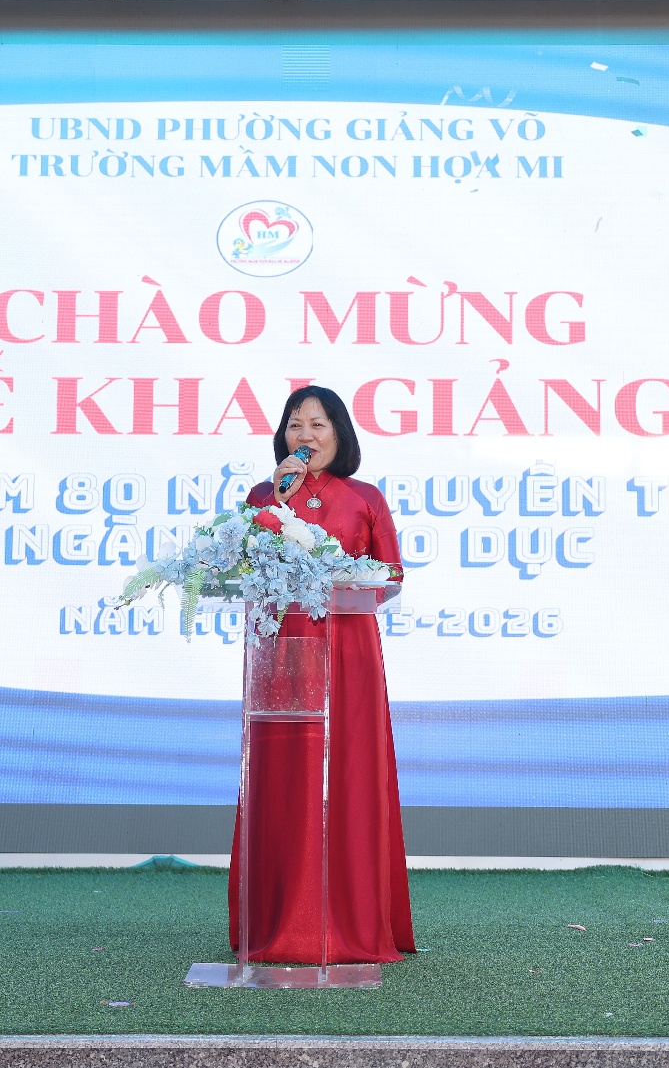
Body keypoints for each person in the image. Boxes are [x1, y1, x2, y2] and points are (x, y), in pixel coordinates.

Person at [227, 385, 416, 965]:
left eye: (317, 424)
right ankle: (279, 919)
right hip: (283, 651)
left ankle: (351, 921)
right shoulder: (264, 496)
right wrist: (276, 504)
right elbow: (241, 566)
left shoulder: (365, 498)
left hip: (348, 654)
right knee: (285, 773)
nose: (305, 435)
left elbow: (391, 577)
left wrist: (340, 578)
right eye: (295, 425)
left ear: (339, 433)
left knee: (349, 772)